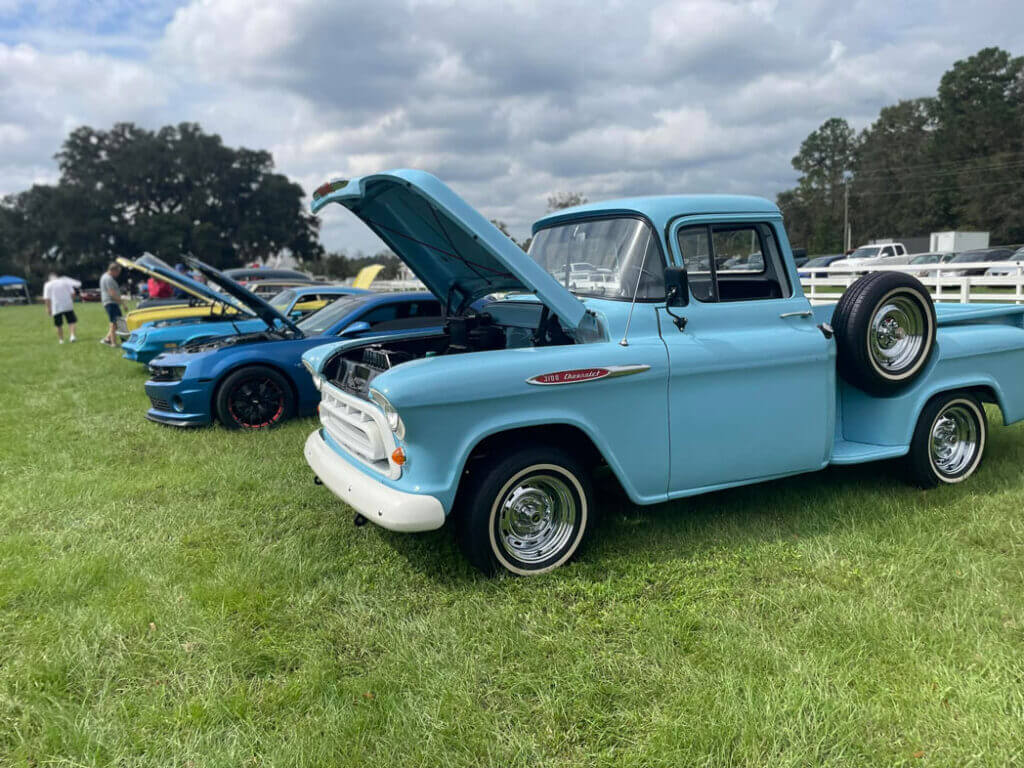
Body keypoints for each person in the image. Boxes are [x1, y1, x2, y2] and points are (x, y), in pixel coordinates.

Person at [42, 272, 81, 344]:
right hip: (67, 305)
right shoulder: (65, 282)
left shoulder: (48, 285)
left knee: (58, 324)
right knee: (71, 321)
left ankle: (61, 340)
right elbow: (73, 293)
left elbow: (46, 298)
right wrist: (71, 300)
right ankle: (72, 336)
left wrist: (48, 308)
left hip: (56, 306)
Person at [99, 263, 125, 347]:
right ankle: (113, 343)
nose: (118, 274)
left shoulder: (106, 277)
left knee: (118, 322)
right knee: (115, 322)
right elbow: (112, 293)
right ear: (113, 270)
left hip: (111, 302)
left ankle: (107, 339)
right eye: (118, 272)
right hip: (111, 302)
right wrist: (122, 302)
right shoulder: (108, 279)